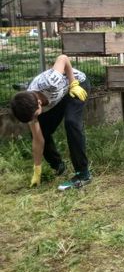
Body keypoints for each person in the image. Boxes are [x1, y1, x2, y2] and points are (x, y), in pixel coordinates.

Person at [10, 54, 91, 190]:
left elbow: (63, 58)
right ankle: (58, 165)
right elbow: (38, 139)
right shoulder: (30, 105)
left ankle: (83, 174)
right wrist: (37, 169)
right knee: (42, 130)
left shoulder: (49, 82)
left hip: (76, 85)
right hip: (58, 96)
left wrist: (73, 84)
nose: (34, 119)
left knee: (71, 122)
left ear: (39, 103)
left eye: (34, 116)